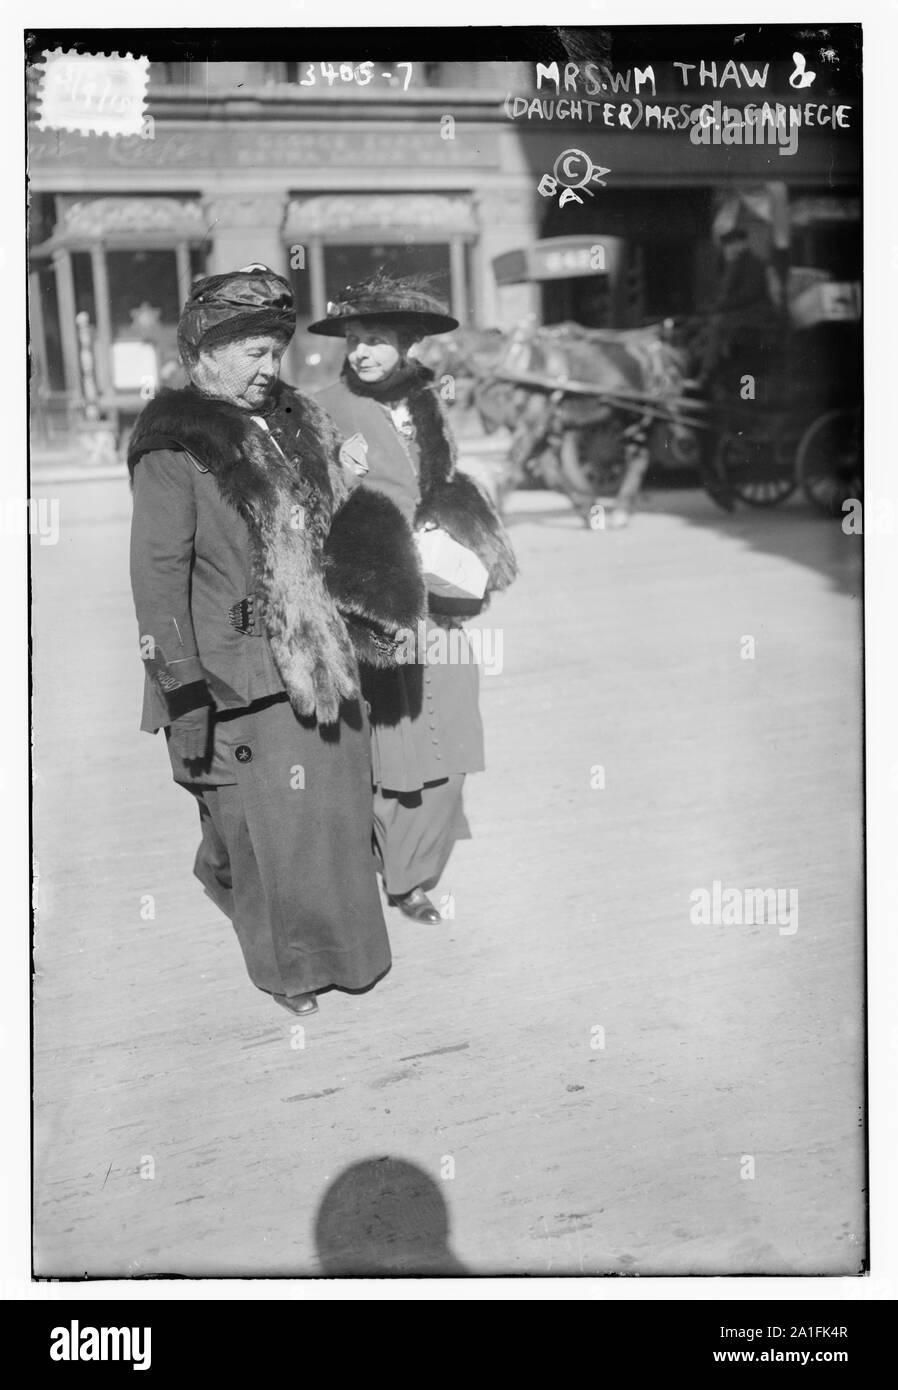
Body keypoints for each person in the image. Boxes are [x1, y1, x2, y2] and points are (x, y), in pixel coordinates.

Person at [128, 265, 425, 1017]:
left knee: (330, 823)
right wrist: (184, 695)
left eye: (274, 351)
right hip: (240, 676)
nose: (270, 370)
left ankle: (350, 956)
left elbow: (328, 530)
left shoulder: (296, 419)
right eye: (253, 353)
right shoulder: (176, 448)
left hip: (323, 656)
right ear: (206, 353)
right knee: (258, 839)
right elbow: (158, 582)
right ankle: (287, 972)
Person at [310, 272, 517, 925]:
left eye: (376, 340)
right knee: (396, 743)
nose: (363, 352)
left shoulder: (428, 401)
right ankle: (402, 879)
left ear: (405, 346)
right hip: (375, 597)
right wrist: (337, 475)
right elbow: (306, 503)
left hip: (436, 590)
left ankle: (415, 863)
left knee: (450, 739)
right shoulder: (320, 407)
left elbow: (441, 481)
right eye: (355, 340)